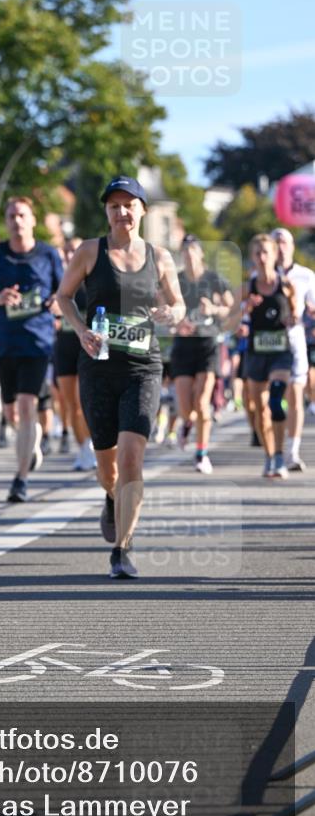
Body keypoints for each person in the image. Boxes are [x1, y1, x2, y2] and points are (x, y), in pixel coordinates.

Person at [56, 175, 184, 579]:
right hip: (98, 367)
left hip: (143, 367)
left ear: (143, 210)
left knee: (132, 456)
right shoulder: (91, 251)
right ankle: (112, 497)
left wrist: (171, 313)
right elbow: (63, 297)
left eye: (130, 205)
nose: (122, 212)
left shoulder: (160, 257)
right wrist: (80, 329)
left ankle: (123, 547)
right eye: (114, 206)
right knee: (107, 467)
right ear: (106, 212)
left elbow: (179, 304)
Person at [0, 196, 63, 503]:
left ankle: (21, 478)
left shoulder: (48, 255)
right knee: (12, 412)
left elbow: (62, 292)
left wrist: (56, 304)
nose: (17, 221)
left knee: (28, 406)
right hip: (2, 342)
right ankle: (31, 444)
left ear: (33, 220)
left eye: (22, 215)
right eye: (12, 215)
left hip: (37, 342)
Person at [170, 235, 234, 473]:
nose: (188, 255)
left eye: (192, 250)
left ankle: (201, 454)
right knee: (187, 408)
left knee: (202, 402)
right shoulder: (175, 281)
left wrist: (215, 308)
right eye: (184, 251)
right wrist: (176, 324)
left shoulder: (213, 279)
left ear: (201, 254)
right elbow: (162, 308)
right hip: (183, 346)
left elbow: (231, 307)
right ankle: (186, 423)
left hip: (208, 344)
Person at [241, 234, 297, 479]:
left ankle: (280, 456)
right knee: (259, 410)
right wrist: (246, 312)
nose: (262, 258)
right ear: (253, 258)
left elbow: (295, 313)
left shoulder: (285, 285)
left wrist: (292, 318)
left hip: (280, 352)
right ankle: (268, 454)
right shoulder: (247, 287)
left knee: (275, 399)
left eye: (266, 252)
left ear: (275, 255)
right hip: (256, 353)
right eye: (258, 253)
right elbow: (234, 319)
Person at [271, 227, 315, 471]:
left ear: (292, 246)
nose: (280, 246)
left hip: (295, 338)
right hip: (268, 343)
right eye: (275, 241)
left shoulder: (306, 275)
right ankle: (273, 450)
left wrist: (311, 312)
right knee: (271, 398)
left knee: (295, 396)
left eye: (284, 242)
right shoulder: (261, 275)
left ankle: (292, 451)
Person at [54, 236, 97, 470]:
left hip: (87, 345)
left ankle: (92, 445)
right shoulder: (58, 280)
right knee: (69, 403)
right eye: (67, 251)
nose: (71, 255)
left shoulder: (92, 279)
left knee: (85, 401)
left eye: (75, 251)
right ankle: (82, 448)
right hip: (64, 345)